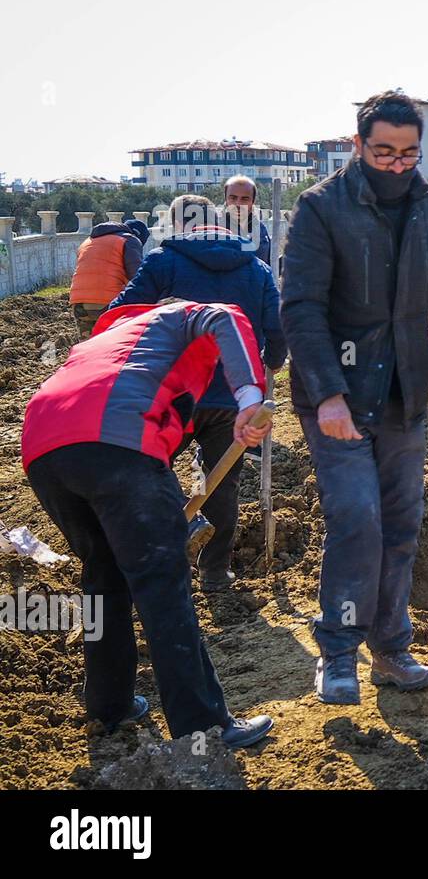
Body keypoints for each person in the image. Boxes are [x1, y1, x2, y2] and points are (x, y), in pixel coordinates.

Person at [281, 90, 428, 704]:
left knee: (402, 523)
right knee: (356, 518)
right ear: (358, 146)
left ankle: (389, 648)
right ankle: (337, 653)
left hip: (404, 393)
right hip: (336, 399)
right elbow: (301, 308)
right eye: (383, 152)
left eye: (408, 154)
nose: (396, 165)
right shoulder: (321, 209)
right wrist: (329, 393)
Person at [22, 300, 273, 748]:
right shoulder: (180, 317)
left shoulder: (102, 341)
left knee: (103, 575)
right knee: (162, 584)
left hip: (43, 448)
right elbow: (224, 317)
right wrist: (249, 399)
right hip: (117, 441)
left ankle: (109, 705)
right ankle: (204, 728)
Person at [108, 194, 287, 590]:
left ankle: (163, 556)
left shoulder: (162, 261)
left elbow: (118, 312)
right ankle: (215, 571)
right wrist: (273, 360)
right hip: (234, 394)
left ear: (181, 226)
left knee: (151, 470)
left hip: (171, 392)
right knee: (223, 481)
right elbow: (276, 327)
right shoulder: (256, 269)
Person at [68, 218, 147, 339]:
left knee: (87, 346)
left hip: (78, 301)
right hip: (108, 302)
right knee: (112, 346)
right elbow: (137, 277)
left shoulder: (88, 242)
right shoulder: (129, 240)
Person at [222, 175, 274, 267]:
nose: (238, 204)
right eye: (233, 198)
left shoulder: (261, 231)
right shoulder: (216, 231)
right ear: (226, 199)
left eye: (244, 199)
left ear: (253, 201)